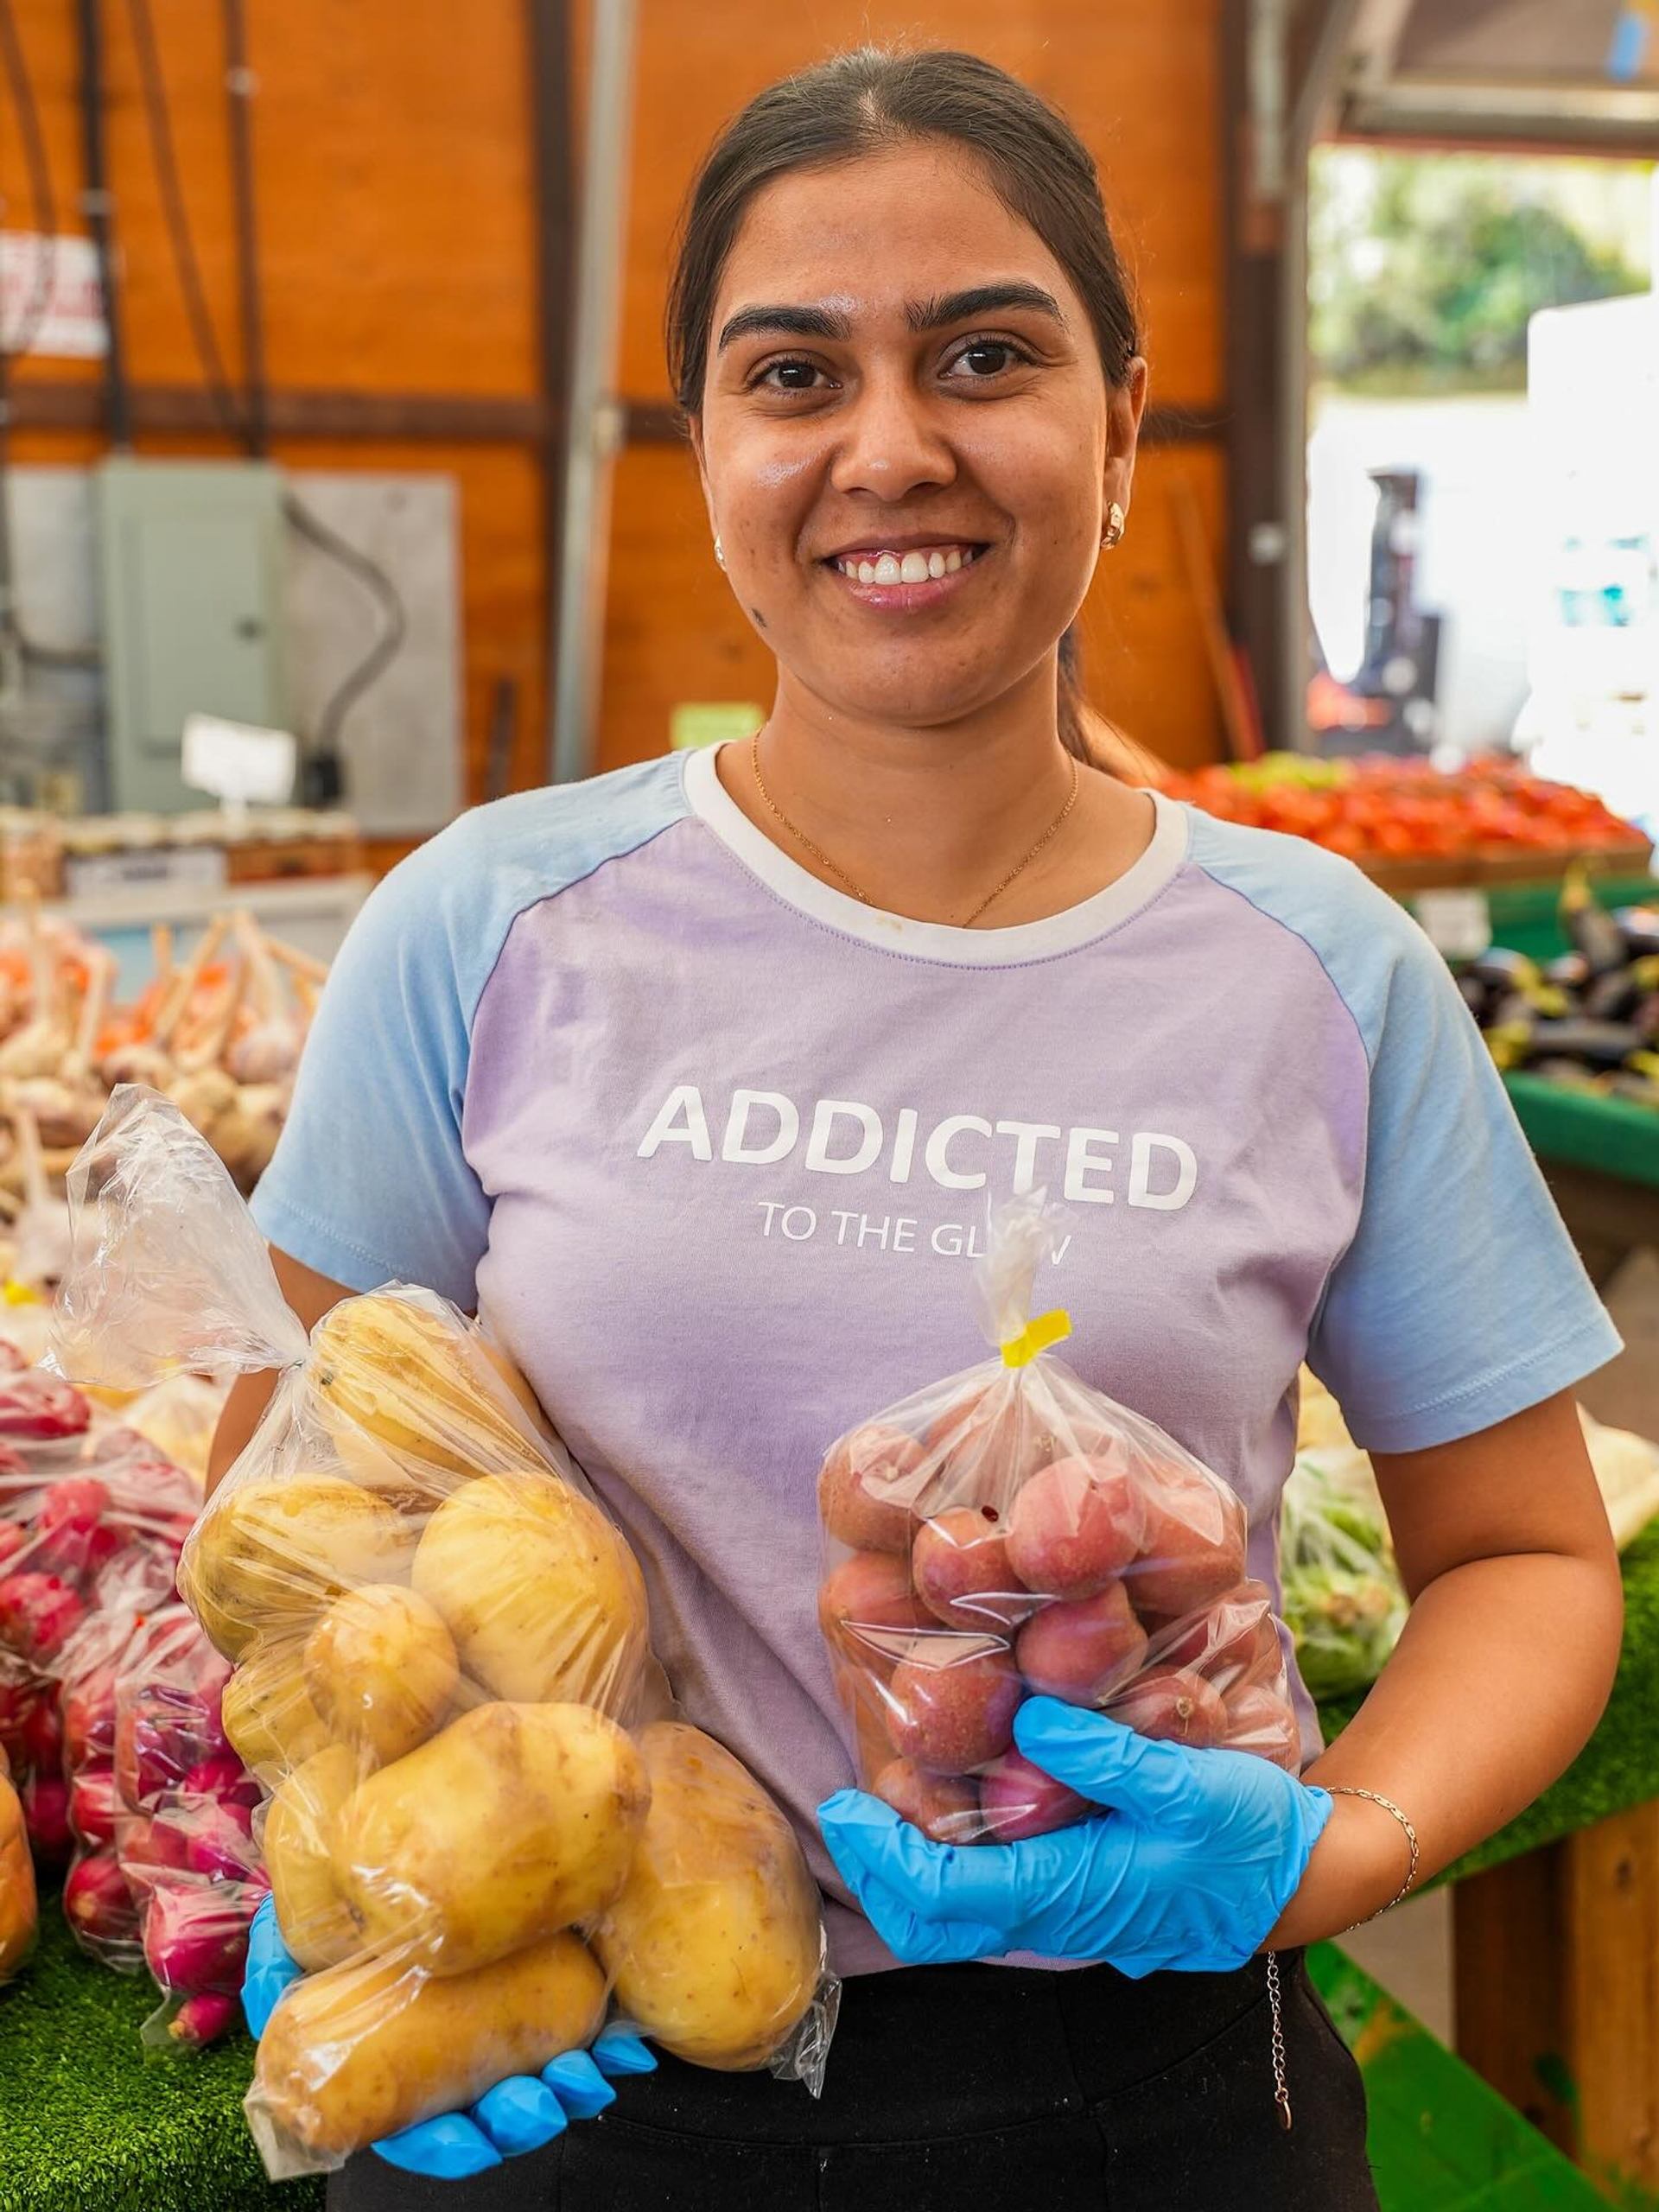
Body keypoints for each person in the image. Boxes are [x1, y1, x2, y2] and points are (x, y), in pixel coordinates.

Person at [217, 46, 1625, 2212]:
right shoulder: (489, 925)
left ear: (1127, 425)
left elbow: (1527, 1553)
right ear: (710, 447)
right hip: (572, 2044)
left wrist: (1328, 1855)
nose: (893, 448)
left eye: (986, 352)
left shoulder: (1316, 967)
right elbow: (288, 1496)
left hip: (1139, 2078)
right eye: (795, 374)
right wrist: (348, 1851)